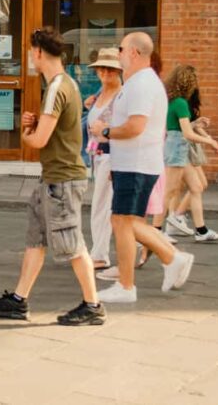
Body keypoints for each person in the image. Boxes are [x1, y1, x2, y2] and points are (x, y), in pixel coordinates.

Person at [0, 27, 106, 326]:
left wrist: (26, 133)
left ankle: (93, 305)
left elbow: (38, 141)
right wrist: (38, 123)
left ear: (38, 52)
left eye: (30, 51)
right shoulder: (68, 84)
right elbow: (58, 128)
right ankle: (18, 300)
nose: (29, 56)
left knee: (71, 242)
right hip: (54, 177)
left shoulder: (54, 88)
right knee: (36, 239)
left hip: (61, 179)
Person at [89, 32, 194, 303]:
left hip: (137, 165)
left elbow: (136, 126)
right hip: (132, 164)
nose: (118, 53)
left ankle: (130, 284)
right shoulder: (138, 82)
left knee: (122, 222)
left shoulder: (142, 84)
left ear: (134, 52)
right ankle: (169, 260)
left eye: (121, 49)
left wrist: (106, 131)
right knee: (126, 222)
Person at [161, 68, 218, 242]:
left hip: (177, 147)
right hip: (178, 148)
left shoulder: (172, 101)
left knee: (195, 187)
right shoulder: (180, 103)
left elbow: (181, 128)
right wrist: (210, 141)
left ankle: (200, 230)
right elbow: (186, 133)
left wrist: (197, 125)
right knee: (170, 191)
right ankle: (160, 228)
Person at [84, 48, 123, 271]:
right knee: (100, 205)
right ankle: (98, 251)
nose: (105, 73)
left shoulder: (121, 95)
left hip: (110, 156)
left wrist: (106, 129)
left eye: (110, 69)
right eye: (101, 69)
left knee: (103, 206)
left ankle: (100, 254)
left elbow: (123, 128)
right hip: (97, 155)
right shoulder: (100, 94)